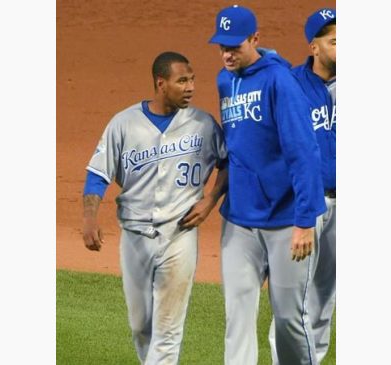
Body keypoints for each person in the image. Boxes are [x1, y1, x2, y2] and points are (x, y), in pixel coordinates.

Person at [82, 51, 228, 364]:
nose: (190, 87)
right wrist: (89, 218)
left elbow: (229, 162)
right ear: (161, 84)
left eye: (192, 80)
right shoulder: (124, 123)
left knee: (168, 331)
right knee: (141, 326)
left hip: (180, 235)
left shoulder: (203, 124)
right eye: (182, 81)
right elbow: (97, 174)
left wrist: (211, 199)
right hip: (134, 237)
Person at [208, 5, 326, 365]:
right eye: (222, 46)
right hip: (239, 221)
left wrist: (305, 221)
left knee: (290, 320)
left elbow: (303, 152)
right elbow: (236, 146)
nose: (227, 54)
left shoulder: (280, 81)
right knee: (237, 318)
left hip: (286, 221)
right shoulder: (224, 80)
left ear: (255, 39)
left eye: (235, 46)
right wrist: (215, 197)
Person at [269, 8, 337, 364]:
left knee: (324, 299)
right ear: (314, 46)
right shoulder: (291, 86)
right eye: (335, 41)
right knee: (291, 303)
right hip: (305, 207)